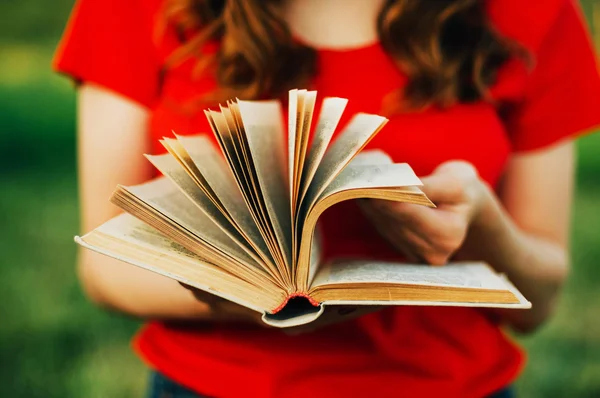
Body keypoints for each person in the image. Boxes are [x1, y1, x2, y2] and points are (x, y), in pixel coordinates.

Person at [54, 0, 600, 397]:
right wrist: (254, 291)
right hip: (211, 386)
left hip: (453, 387)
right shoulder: (132, 8)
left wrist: (481, 226)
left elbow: (540, 299)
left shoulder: (533, 13)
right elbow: (103, 261)